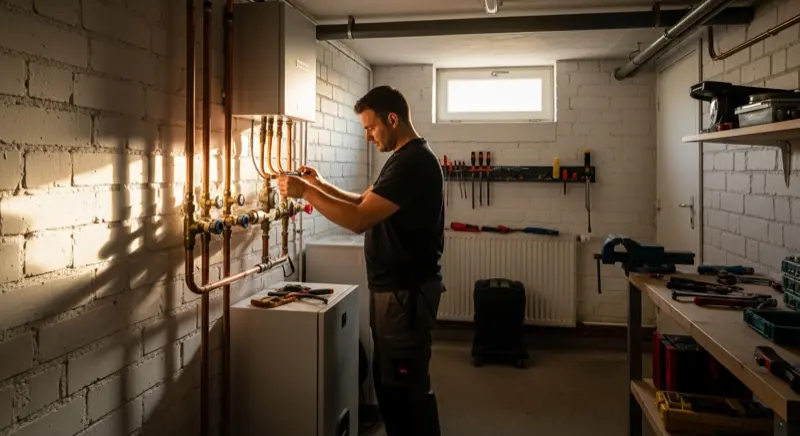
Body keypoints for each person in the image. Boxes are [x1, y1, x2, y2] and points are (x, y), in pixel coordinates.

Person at [278, 85, 445, 436]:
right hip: (395, 293)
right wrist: (320, 184)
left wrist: (305, 192)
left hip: (405, 296)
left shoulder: (413, 163)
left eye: (371, 128)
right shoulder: (403, 159)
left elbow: (358, 221)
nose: (368, 136)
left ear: (393, 119)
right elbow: (360, 202)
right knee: (391, 385)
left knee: (405, 390)